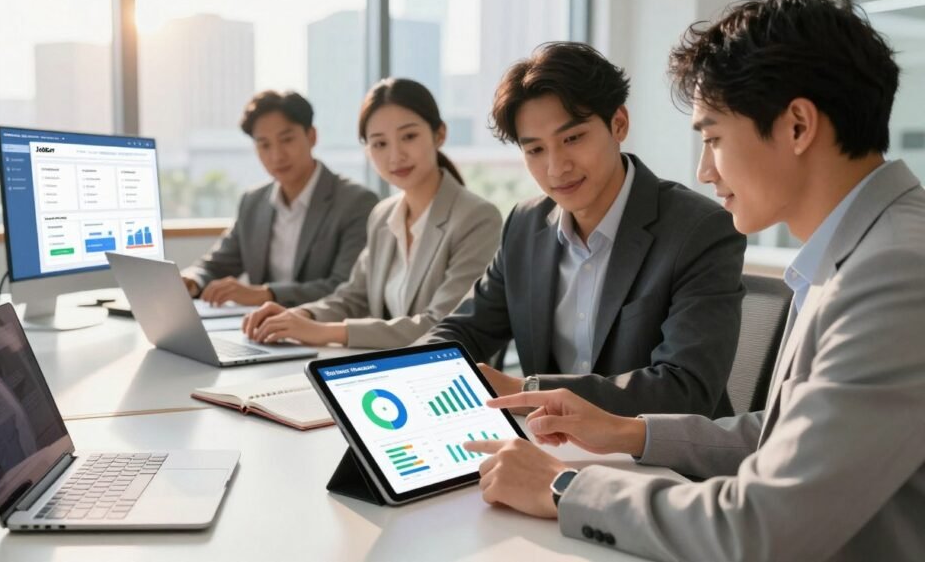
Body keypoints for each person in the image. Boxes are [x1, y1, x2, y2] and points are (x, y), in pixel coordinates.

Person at [465, 0, 924, 561]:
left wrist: (562, 487)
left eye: (712, 138)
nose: (705, 170)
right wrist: (625, 431)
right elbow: (789, 436)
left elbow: (762, 526)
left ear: (798, 126)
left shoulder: (895, 274)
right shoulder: (860, 251)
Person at [419, 42, 746, 417]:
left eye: (572, 139)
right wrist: (407, 374)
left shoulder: (698, 230)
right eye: (535, 150)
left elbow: (684, 388)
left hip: (659, 463)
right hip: (549, 450)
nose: (557, 168)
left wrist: (530, 392)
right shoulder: (525, 225)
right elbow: (464, 330)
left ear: (618, 124)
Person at [242, 78, 502, 349]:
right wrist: (299, 316)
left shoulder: (477, 218)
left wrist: (326, 332)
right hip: (387, 369)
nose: (395, 155)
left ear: (439, 134)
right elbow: (354, 297)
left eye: (409, 136)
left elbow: (442, 324)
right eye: (379, 144)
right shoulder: (383, 215)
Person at [181, 90, 378, 307]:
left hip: (321, 331)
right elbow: (216, 265)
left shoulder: (357, 202)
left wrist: (267, 294)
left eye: (287, 140)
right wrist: (192, 280)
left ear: (312, 136)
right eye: (264, 145)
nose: (276, 156)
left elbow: (345, 287)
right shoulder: (252, 202)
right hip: (259, 330)